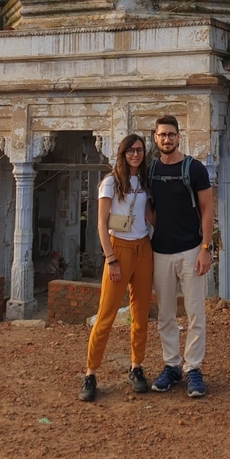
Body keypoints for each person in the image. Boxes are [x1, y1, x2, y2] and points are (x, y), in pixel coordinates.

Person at [79, 133, 154, 402]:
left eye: (140, 150)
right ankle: (90, 372)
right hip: (118, 248)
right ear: (122, 154)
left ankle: (136, 366)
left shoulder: (144, 181)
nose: (136, 154)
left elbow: (149, 215)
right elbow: (101, 223)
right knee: (106, 314)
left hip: (142, 248)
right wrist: (110, 258)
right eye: (131, 150)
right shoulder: (110, 182)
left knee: (141, 313)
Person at [148, 115, 214, 398]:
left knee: (195, 312)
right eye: (162, 135)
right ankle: (172, 365)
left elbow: (207, 208)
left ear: (179, 136)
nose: (167, 139)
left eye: (171, 135)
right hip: (160, 251)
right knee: (165, 314)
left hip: (190, 249)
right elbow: (148, 207)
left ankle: (194, 368)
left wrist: (205, 249)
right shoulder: (150, 170)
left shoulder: (194, 169)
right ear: (155, 137)